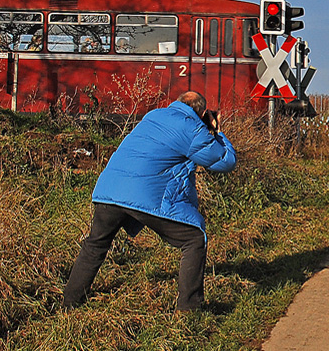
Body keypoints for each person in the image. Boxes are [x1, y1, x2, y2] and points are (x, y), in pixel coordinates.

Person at [63, 92, 236, 312]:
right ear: (201, 112)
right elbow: (224, 161)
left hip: (108, 189)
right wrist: (218, 132)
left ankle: (69, 304)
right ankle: (189, 311)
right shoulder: (192, 129)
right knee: (194, 239)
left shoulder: (153, 116)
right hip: (141, 195)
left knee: (96, 244)